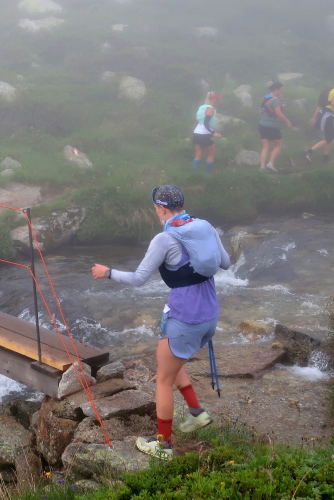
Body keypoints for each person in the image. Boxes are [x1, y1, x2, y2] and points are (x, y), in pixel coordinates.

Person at [91, 185, 231, 460]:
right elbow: (225, 263)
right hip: (209, 315)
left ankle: (163, 446)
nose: (155, 211)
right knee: (169, 361)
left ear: (161, 208)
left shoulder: (164, 239)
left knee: (163, 380)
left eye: (156, 207)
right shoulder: (204, 227)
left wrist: (107, 272)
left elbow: (138, 279)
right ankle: (196, 412)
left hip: (185, 317)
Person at [305, 76, 334, 163]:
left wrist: (314, 118)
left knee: (330, 137)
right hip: (328, 116)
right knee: (330, 137)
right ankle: (309, 152)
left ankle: (325, 157)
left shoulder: (326, 90)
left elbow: (320, 106)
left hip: (323, 114)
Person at [258, 81, 293, 173]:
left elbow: (266, 109)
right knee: (279, 144)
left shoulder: (265, 97)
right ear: (276, 90)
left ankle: (262, 167)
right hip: (272, 126)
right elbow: (278, 113)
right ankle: (270, 164)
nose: (281, 91)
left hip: (262, 125)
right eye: (280, 89)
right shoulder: (275, 100)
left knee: (265, 147)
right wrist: (287, 121)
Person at [192, 92, 223, 172]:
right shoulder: (210, 109)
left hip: (197, 133)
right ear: (213, 99)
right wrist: (213, 133)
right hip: (205, 134)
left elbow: (198, 121)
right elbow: (206, 123)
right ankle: (207, 174)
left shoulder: (201, 108)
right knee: (211, 154)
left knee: (198, 154)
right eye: (218, 99)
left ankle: (194, 173)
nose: (218, 101)